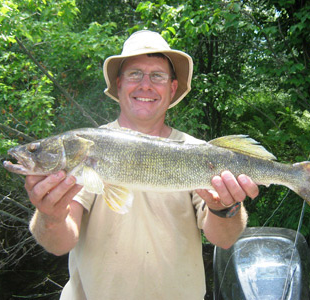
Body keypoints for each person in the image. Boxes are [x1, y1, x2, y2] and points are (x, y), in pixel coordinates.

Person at [26, 30, 259, 299]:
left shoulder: (198, 151)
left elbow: (224, 239)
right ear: (119, 84)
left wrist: (225, 208)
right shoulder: (88, 148)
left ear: (172, 88)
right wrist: (50, 215)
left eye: (157, 76)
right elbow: (60, 243)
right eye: (134, 74)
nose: (145, 85)